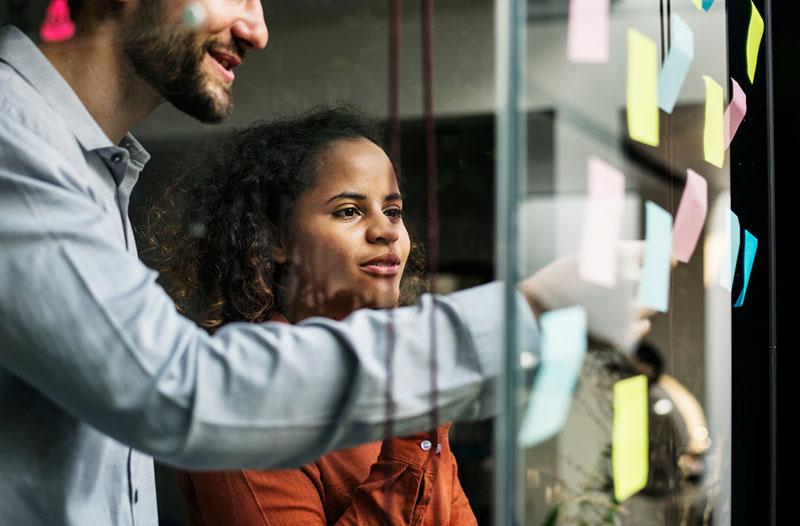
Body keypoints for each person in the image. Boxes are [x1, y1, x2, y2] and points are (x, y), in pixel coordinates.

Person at [0, 1, 649, 523]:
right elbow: (179, 393)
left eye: (393, 211)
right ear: (278, 237)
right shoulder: (13, 143)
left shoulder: (93, 177)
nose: (258, 29)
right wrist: (527, 310)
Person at [152, 107, 476, 524]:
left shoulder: (397, 384)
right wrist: (413, 433)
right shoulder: (246, 399)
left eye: (393, 211)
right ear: (276, 238)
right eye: (349, 211)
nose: (387, 231)